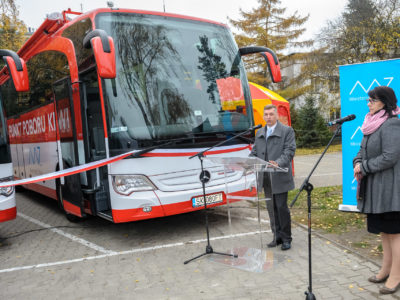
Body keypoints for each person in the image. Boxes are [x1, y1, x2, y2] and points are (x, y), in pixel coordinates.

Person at [353, 86, 400, 295]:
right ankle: (386, 269)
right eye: (368, 100)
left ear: (384, 102)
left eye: (372, 100)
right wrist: (357, 161)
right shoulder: (371, 124)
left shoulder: (391, 124)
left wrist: (364, 167)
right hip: (375, 187)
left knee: (394, 233)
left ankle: (396, 276)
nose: (368, 103)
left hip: (390, 189)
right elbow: (362, 150)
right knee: (384, 231)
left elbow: (390, 156)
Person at [250, 104, 296, 251]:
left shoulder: (286, 131)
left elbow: (289, 150)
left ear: (276, 115)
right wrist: (248, 161)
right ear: (263, 116)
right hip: (265, 177)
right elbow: (255, 151)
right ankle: (276, 236)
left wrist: (279, 163)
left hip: (279, 176)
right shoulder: (259, 133)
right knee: (271, 208)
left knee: (281, 208)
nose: (268, 117)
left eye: (271, 114)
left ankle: (286, 238)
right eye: (266, 115)